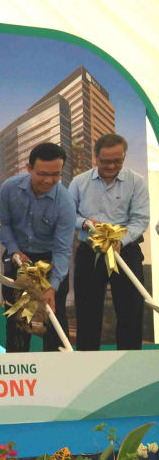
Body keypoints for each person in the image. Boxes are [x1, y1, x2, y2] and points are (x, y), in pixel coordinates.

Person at [69, 133, 149, 350]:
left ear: (124, 157)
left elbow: (140, 219)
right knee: (87, 312)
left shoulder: (136, 182)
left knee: (131, 311)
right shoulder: (79, 182)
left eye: (118, 161)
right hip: (89, 251)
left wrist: (121, 241)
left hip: (125, 250)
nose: (112, 166)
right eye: (106, 161)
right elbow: (67, 215)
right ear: (95, 157)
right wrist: (84, 222)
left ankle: (129, 364)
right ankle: (88, 365)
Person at [0, 142, 75, 352]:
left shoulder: (65, 202)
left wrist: (52, 286)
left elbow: (62, 249)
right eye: (42, 174)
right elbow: (2, 222)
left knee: (53, 320)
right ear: (29, 167)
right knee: (17, 320)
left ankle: (57, 374)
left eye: (56, 174)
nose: (49, 180)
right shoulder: (9, 188)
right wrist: (14, 250)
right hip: (17, 256)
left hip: (50, 260)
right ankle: (17, 374)